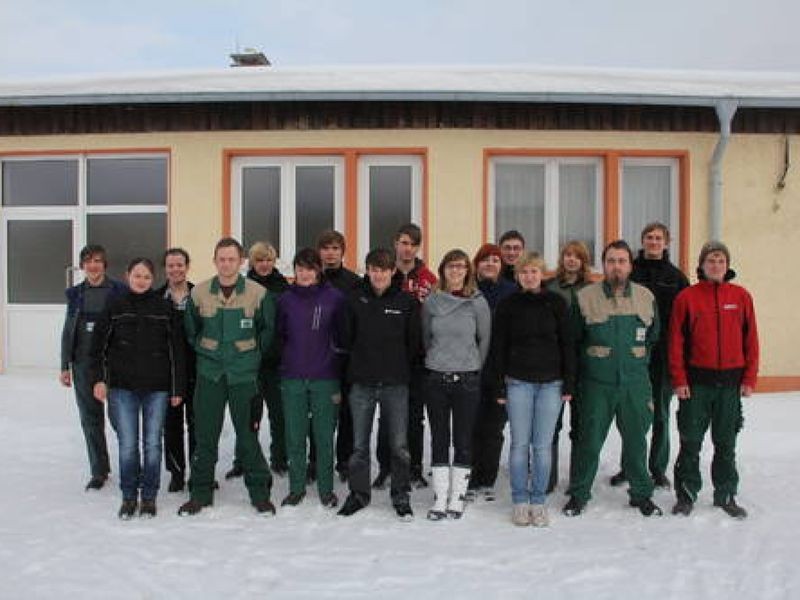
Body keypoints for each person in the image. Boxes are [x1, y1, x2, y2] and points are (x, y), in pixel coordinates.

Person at [563, 240, 663, 517]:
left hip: (635, 384)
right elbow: (574, 340)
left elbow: (653, 337)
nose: (616, 266)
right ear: (603, 265)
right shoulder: (585, 297)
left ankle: (641, 494)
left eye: (621, 261)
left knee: (636, 441)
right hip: (597, 384)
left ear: (630, 265)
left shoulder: (646, 297)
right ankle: (579, 494)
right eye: (610, 261)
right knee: (589, 441)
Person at [178, 237, 276, 516]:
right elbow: (191, 330)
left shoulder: (258, 294)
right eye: (221, 259)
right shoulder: (199, 293)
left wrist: (252, 358)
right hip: (210, 375)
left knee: (248, 436)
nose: (226, 264)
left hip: (243, 376)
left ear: (241, 261)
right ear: (214, 261)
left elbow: (267, 332)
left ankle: (259, 493)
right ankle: (200, 493)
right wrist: (205, 351)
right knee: (205, 435)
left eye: (232, 259)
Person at [90, 258, 186, 519]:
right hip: (122, 388)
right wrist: (99, 379)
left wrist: (177, 388)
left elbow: (176, 351)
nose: (141, 280)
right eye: (136, 275)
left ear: (152, 279)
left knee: (153, 444)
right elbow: (97, 346)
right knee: (128, 445)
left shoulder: (165, 307)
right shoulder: (115, 305)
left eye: (146, 276)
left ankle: (149, 497)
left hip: (157, 388)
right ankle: (129, 496)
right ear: (127, 276)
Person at [669, 241, 759, 519]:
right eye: (711, 260)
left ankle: (726, 493)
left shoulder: (741, 297)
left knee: (726, 442)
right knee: (691, 441)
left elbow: (751, 340)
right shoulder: (687, 298)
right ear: (702, 265)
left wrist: (749, 378)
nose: (716, 265)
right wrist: (680, 379)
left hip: (730, 385)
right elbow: (676, 341)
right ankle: (686, 494)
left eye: (721, 260)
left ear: (727, 265)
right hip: (697, 384)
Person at [491, 252, 575, 526]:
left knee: (542, 446)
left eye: (534, 271)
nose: (529, 276)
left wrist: (569, 381)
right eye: (524, 272)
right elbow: (498, 347)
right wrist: (499, 387)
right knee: (519, 444)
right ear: (518, 276)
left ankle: (538, 500)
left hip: (551, 384)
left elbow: (567, 345)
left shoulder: (557, 303)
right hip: (518, 383)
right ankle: (520, 500)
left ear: (542, 274)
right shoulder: (508, 305)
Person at [337, 248, 420, 520]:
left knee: (399, 445)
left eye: (384, 269)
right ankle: (358, 494)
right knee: (359, 445)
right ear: (367, 270)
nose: (379, 274)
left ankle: (400, 494)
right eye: (374, 269)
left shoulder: (407, 302)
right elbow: (345, 340)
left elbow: (414, 344)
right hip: (362, 383)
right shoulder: (354, 300)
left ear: (392, 271)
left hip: (396, 384)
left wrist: (401, 371)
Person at [610, 223, 689, 489]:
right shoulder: (631, 272)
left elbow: (684, 322)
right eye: (649, 238)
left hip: (663, 356)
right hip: (633, 353)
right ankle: (629, 465)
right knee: (631, 414)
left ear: (667, 242)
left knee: (660, 414)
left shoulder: (677, 277)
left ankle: (657, 468)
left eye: (658, 238)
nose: (653, 242)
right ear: (642, 241)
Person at [423, 249, 491, 520]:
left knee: (463, 438)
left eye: (461, 267)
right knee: (439, 437)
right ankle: (440, 497)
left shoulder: (478, 303)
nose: (455, 271)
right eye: (450, 266)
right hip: (437, 377)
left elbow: (484, 340)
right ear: (443, 270)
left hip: (467, 379)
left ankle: (457, 497)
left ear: (468, 271)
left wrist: (471, 365)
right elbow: (425, 337)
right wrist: (438, 359)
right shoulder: (432, 302)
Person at [277, 248, 346, 508]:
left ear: (318, 270)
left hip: (325, 377)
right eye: (300, 268)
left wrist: (334, 363)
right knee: (295, 436)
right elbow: (280, 335)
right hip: (293, 376)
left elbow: (342, 336)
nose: (304, 273)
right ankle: (296, 488)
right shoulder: (285, 300)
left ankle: (326, 490)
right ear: (294, 271)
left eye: (309, 268)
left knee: (324, 436)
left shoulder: (334, 298)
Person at [374, 223, 438, 490]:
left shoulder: (429, 279)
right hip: (388, 356)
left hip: (419, 358)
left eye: (412, 243)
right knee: (387, 415)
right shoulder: (385, 274)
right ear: (395, 244)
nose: (407, 248)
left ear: (418, 247)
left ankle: (413, 468)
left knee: (414, 416)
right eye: (403, 242)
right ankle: (385, 467)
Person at [59, 244, 127, 491]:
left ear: (105, 264)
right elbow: (68, 331)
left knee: (121, 419)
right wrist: (65, 364)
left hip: (113, 365)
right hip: (83, 365)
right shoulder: (75, 294)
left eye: (98, 260)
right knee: (90, 419)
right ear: (82, 265)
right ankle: (99, 471)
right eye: (88, 261)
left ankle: (129, 468)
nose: (93, 265)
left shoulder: (120, 291)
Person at [225, 241, 290, 480]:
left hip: (275, 363)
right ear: (251, 262)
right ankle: (242, 459)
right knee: (247, 415)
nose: (264, 265)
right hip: (248, 363)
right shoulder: (240, 287)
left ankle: (280, 459)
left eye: (268, 260)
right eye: (259, 260)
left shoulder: (283, 288)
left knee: (278, 414)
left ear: (274, 262)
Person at [466, 243, 516, 502]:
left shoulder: (511, 291)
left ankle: (487, 477)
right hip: (471, 367)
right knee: (471, 425)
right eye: (486, 259)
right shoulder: (468, 291)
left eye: (496, 260)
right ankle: (470, 475)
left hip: (501, 368)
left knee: (494, 426)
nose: (491, 264)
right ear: (477, 264)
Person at [544, 240, 592, 493]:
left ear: (584, 261)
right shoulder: (550, 287)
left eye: (577, 256)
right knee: (551, 424)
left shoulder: (593, 290)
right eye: (567, 255)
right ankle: (547, 477)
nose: (571, 259)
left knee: (581, 425)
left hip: (585, 365)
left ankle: (578, 478)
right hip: (555, 363)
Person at [318, 230, 362, 483]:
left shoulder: (354, 282)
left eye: (335, 248)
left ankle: (344, 461)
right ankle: (317, 459)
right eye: (326, 248)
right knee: (320, 411)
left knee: (347, 412)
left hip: (346, 357)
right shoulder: (312, 279)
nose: (330, 253)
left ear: (343, 251)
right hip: (318, 356)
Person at [156, 247, 196, 493]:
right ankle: (176, 473)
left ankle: (199, 471)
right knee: (171, 424)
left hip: (197, 369)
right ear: (165, 269)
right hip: (168, 371)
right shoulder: (156, 298)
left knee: (198, 424)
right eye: (171, 265)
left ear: (187, 266)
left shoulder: (200, 295)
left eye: (180, 264)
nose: (175, 269)